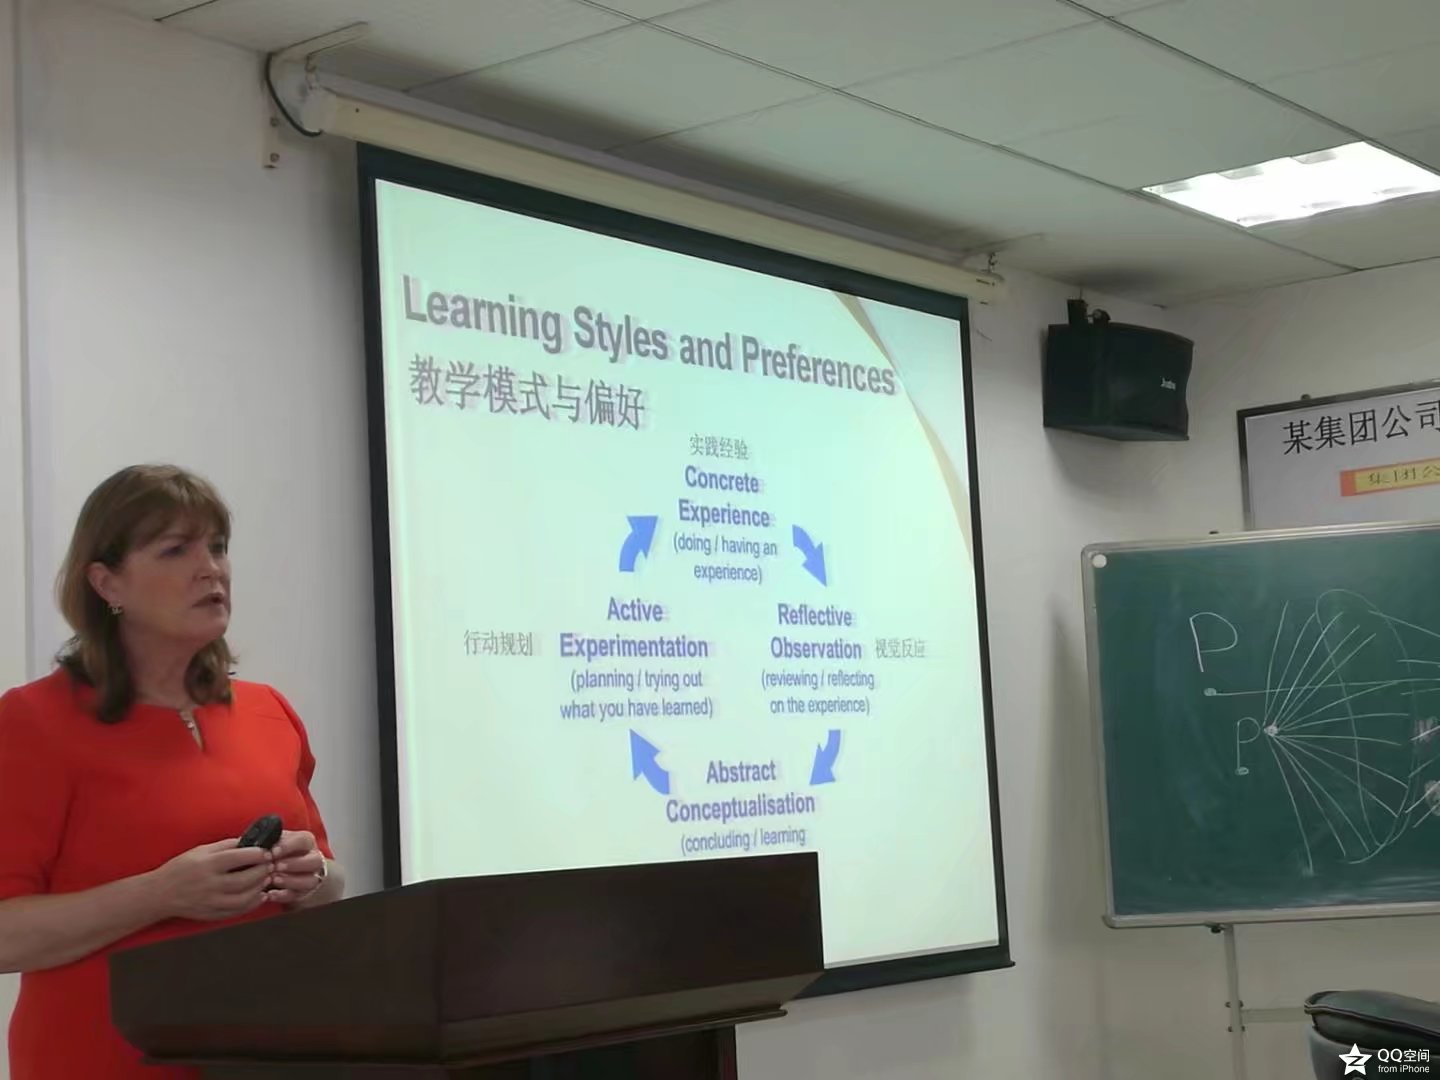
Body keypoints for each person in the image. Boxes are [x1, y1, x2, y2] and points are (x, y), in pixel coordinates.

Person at [0, 464, 346, 1079]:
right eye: (175, 549)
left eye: (218, 546)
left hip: (267, 1058)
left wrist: (308, 876)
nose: (211, 568)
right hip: (101, 1061)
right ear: (107, 582)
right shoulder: (33, 722)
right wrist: (161, 894)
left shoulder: (269, 711)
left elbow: (330, 879)